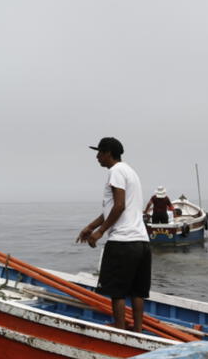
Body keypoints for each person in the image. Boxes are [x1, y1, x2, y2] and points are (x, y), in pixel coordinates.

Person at [77, 137, 151, 333]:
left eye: (99, 152)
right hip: (142, 242)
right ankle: (137, 330)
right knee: (137, 291)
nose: (97, 157)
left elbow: (119, 206)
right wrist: (90, 227)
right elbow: (112, 208)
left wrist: (100, 232)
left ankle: (119, 331)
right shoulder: (130, 172)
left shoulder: (115, 171)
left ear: (108, 153)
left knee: (116, 292)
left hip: (123, 242)